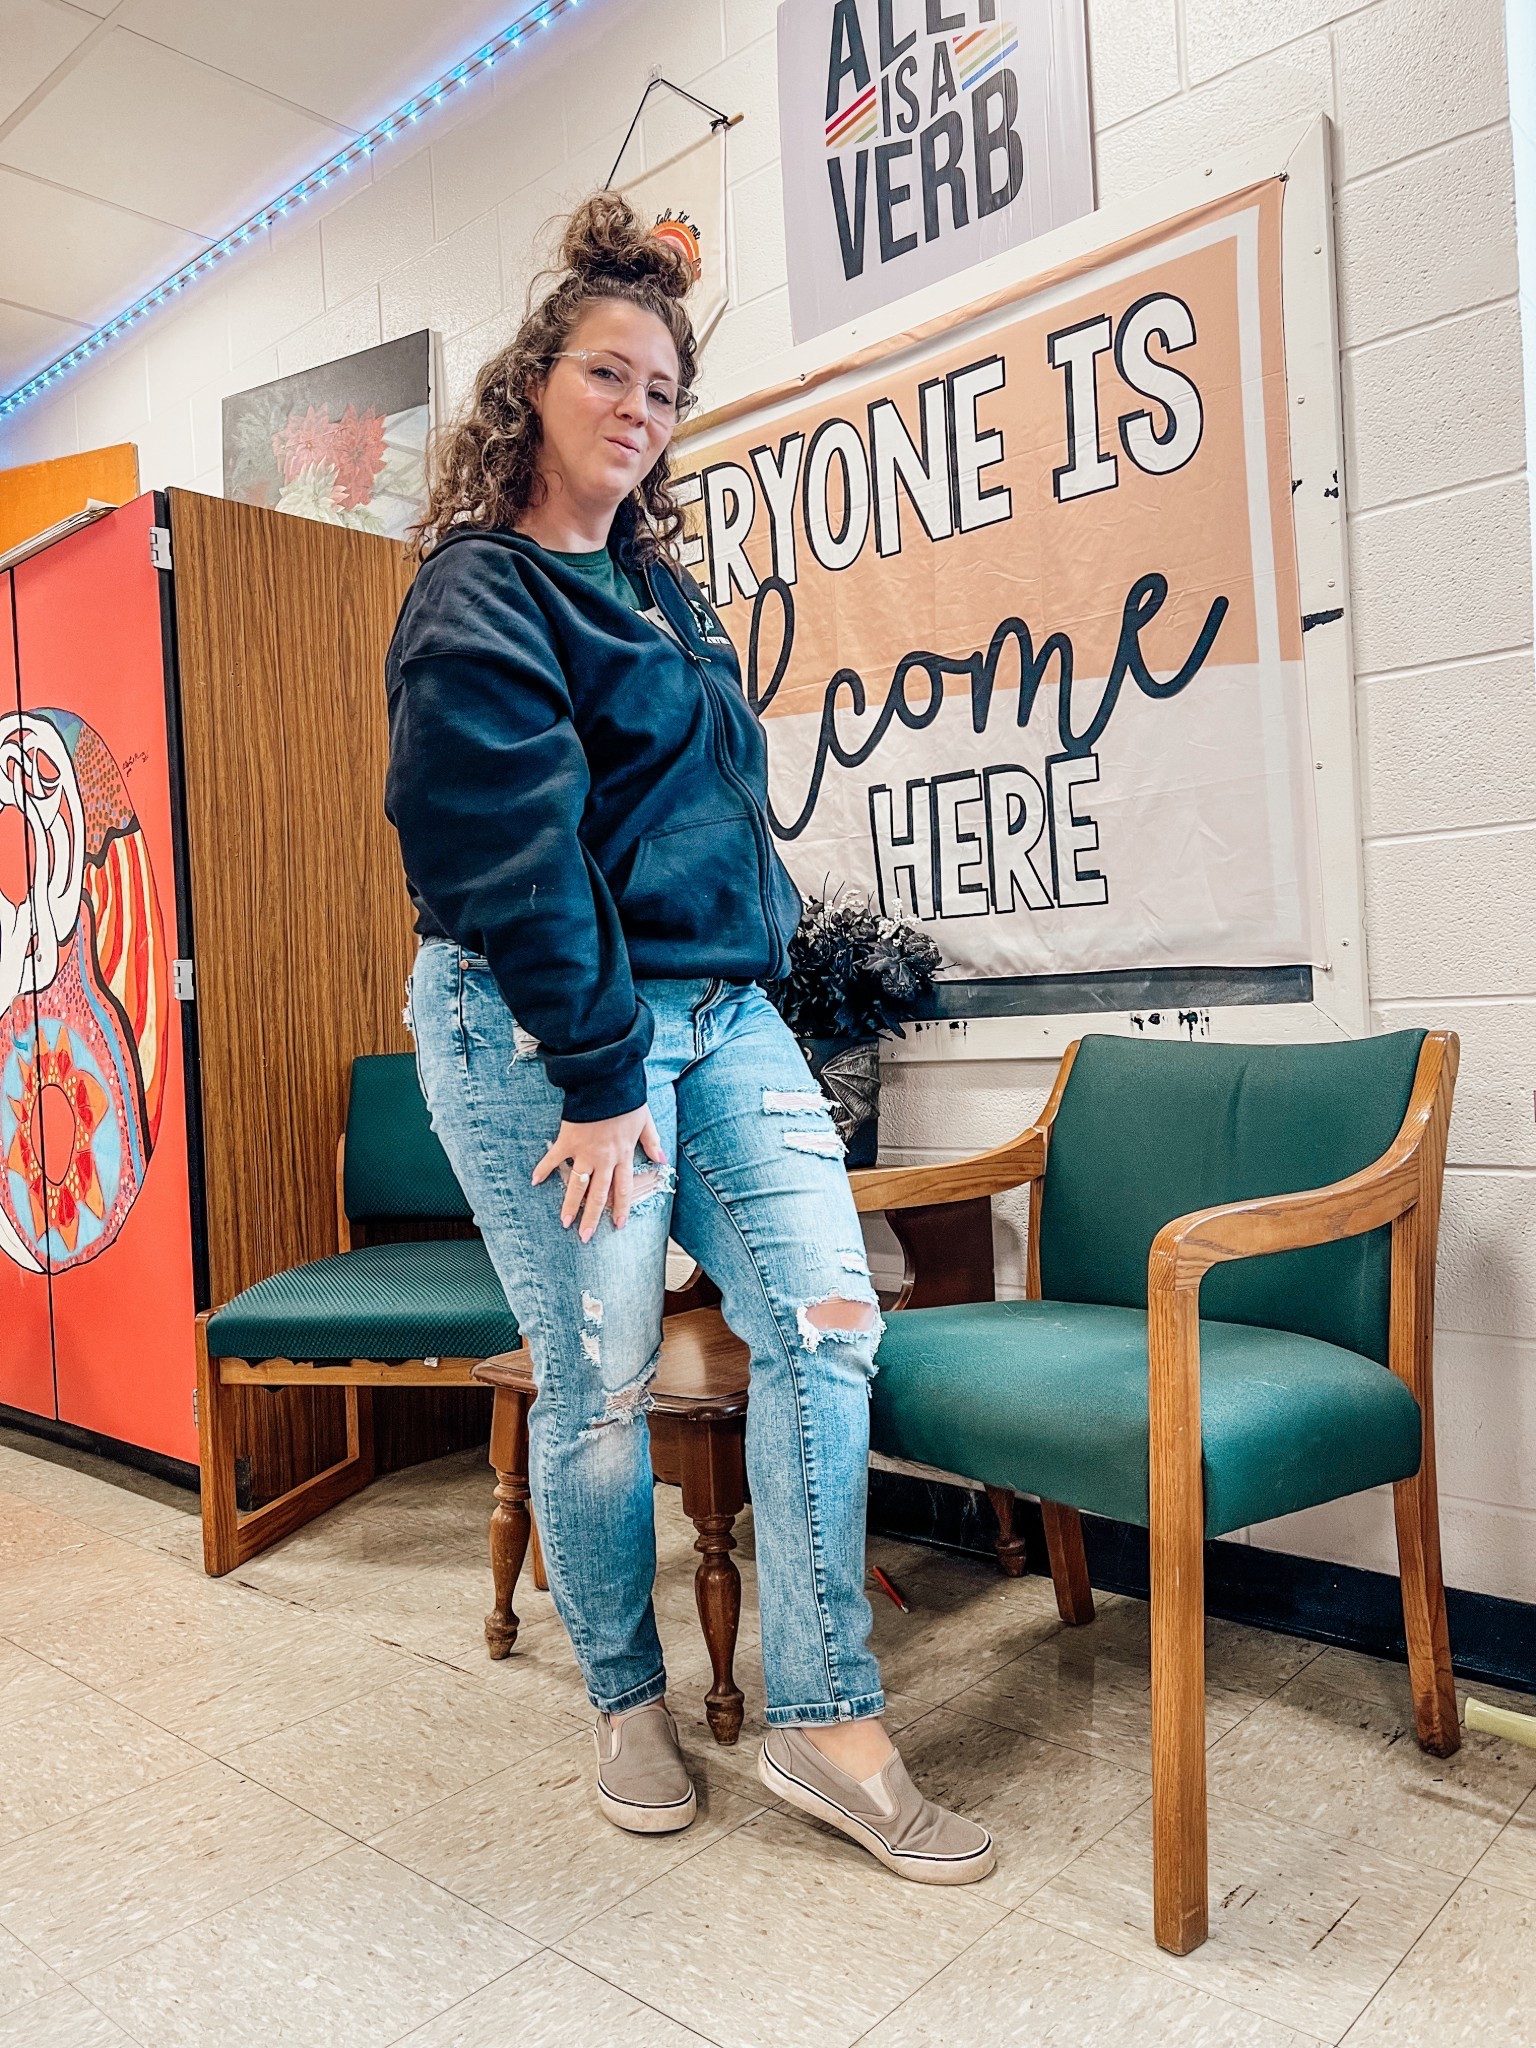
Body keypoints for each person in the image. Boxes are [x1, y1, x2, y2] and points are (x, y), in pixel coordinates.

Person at [384, 193, 992, 1885]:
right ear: (535, 387)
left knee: (827, 1321)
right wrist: (594, 1080)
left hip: (725, 1016)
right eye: (608, 371)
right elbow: (510, 850)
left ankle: (820, 1713)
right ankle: (624, 1691)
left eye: (664, 385)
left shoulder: (656, 587)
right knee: (595, 1384)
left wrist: (767, 963)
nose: (640, 406)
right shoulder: (477, 599)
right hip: (545, 1032)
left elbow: (710, 810)